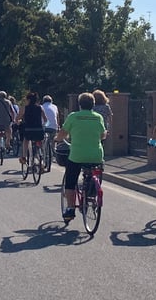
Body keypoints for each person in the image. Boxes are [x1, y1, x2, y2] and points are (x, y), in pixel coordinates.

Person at [55, 92, 106, 220]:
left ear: (79, 105)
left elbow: (62, 133)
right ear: (93, 105)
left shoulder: (73, 116)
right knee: (96, 171)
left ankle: (70, 208)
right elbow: (102, 135)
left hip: (77, 155)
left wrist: (57, 139)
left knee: (70, 181)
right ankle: (91, 193)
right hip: (96, 155)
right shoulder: (98, 117)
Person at [16, 92, 47, 167]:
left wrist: (18, 122)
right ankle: (41, 158)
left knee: (25, 140)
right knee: (39, 141)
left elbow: (17, 118)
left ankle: (24, 157)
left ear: (28, 100)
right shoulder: (40, 107)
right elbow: (45, 119)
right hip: (39, 130)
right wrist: (42, 125)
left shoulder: (24, 108)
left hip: (29, 130)